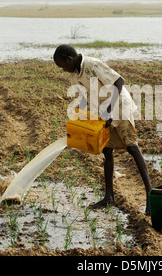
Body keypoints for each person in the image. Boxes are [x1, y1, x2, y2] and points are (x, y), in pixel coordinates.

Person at [53, 44, 152, 215]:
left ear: (69, 59)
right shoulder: (75, 75)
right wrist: (80, 121)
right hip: (105, 110)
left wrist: (108, 109)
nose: (63, 70)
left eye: (62, 66)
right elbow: (83, 99)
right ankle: (109, 196)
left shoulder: (92, 65)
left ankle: (150, 195)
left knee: (132, 147)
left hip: (120, 106)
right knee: (106, 150)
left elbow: (119, 82)